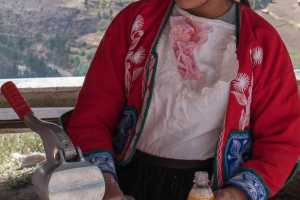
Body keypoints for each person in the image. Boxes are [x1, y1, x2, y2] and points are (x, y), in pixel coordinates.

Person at [61, 0, 300, 200]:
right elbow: (91, 118)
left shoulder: (261, 44)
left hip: (210, 189)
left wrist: (238, 194)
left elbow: (281, 141)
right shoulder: (136, 24)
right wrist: (106, 186)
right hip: (127, 181)